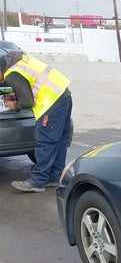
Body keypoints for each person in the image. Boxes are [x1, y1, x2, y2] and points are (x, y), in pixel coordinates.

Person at [0, 51, 73, 193]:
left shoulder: (11, 73)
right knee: (59, 141)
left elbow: (27, 102)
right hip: (63, 96)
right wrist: (17, 94)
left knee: (45, 141)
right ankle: (55, 177)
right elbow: (32, 83)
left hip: (50, 102)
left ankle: (37, 181)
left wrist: (15, 106)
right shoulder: (20, 61)